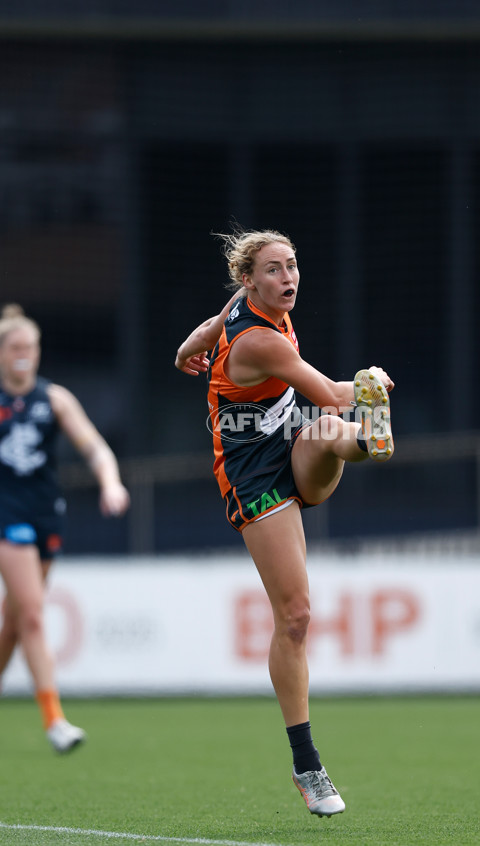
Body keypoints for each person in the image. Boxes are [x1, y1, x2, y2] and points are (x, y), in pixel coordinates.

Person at [175, 228, 394, 818]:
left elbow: (204, 329)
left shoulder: (240, 310)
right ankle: (307, 765)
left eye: (293, 266)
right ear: (249, 280)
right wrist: (366, 388)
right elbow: (325, 391)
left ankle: (366, 440)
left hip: (289, 440)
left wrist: (183, 353)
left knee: (327, 432)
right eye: (274, 270)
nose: (288, 277)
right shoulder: (261, 342)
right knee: (295, 616)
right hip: (252, 474)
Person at [0, 304, 130, 753]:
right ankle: (55, 721)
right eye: (15, 347)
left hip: (45, 514)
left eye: (30, 348)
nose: (23, 355)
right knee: (33, 613)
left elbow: (95, 447)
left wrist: (110, 483)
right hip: (6, 514)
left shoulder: (53, 398)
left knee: (15, 620)